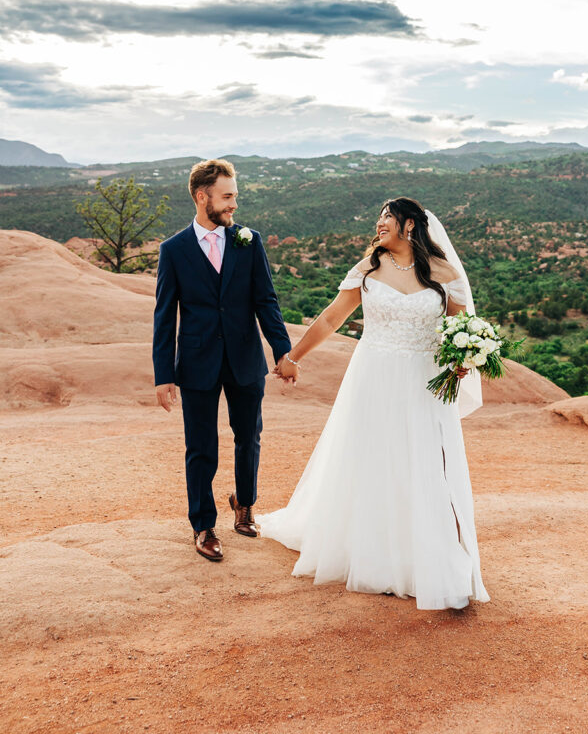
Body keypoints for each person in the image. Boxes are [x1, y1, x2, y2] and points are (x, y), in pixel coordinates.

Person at [259, 197, 490, 610]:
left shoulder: (444, 273)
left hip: (422, 382)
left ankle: (425, 557)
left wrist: (464, 360)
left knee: (422, 463)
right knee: (371, 457)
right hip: (373, 376)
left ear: (411, 226)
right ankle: (372, 554)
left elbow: (459, 328)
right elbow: (332, 318)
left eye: (388, 217)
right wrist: (293, 358)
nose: (380, 224)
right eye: (379, 218)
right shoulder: (367, 268)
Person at [153, 158, 298, 562]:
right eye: (228, 196)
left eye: (235, 195)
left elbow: (265, 300)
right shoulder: (174, 250)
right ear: (203, 197)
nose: (235, 204)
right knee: (200, 447)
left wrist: (282, 351)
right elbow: (164, 315)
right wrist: (163, 374)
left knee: (248, 436)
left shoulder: (248, 242)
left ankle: (245, 505)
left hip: (245, 359)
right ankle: (203, 526)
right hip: (197, 363)